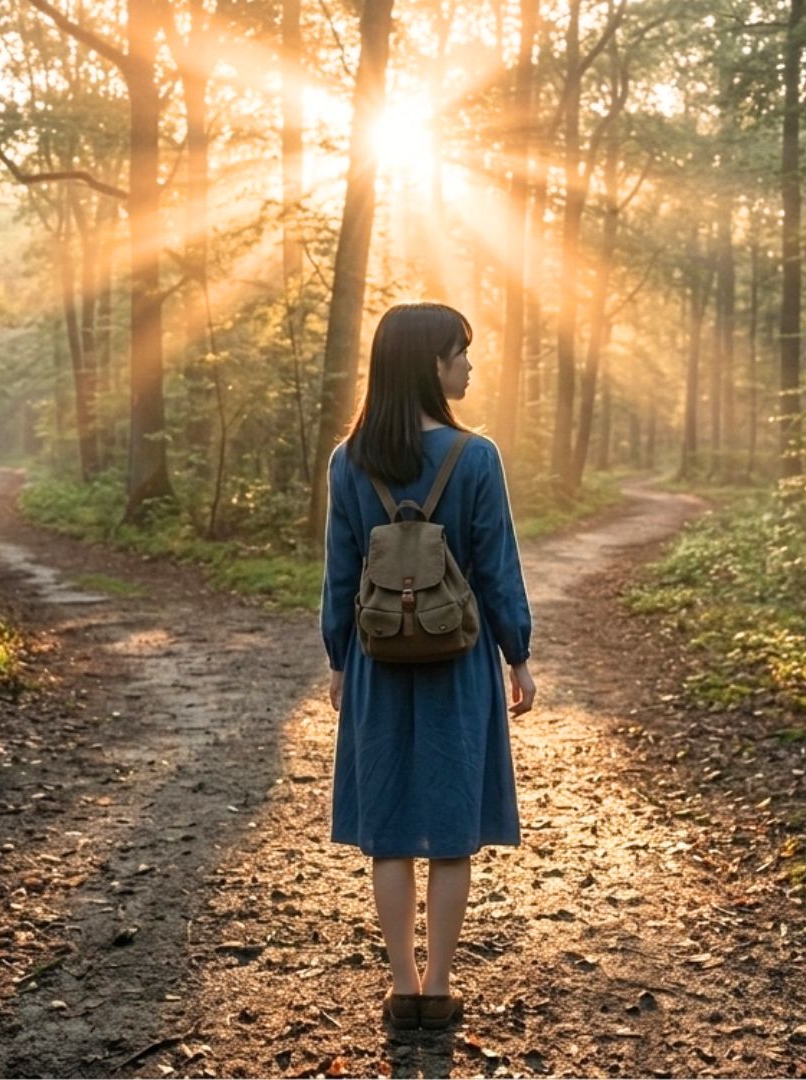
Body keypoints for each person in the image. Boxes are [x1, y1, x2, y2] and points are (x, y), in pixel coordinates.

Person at [319, 301, 537, 1034]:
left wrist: (340, 659)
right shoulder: (475, 457)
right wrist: (519, 653)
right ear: (430, 364)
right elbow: (498, 569)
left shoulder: (348, 461)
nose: (469, 364)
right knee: (448, 826)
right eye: (459, 352)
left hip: (379, 659)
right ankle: (440, 988)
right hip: (459, 656)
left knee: (387, 827)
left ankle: (402, 987)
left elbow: (340, 574)